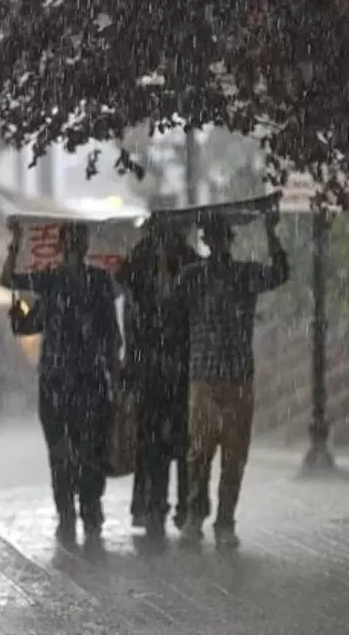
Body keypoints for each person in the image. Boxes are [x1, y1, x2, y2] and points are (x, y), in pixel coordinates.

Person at [167, 210, 289, 549]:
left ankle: (225, 520)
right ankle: (196, 513)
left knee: (234, 454)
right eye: (213, 238)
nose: (218, 244)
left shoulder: (245, 274)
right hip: (204, 376)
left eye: (222, 238)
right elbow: (170, 310)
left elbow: (280, 273)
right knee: (199, 452)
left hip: (236, 376)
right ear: (206, 242)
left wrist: (271, 233)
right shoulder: (192, 277)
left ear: (228, 242)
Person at [1, 222, 122, 544]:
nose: (74, 248)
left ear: (84, 246)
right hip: (56, 381)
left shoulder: (99, 282)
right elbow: (10, 282)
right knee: (61, 453)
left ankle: (91, 511)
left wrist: (116, 373)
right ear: (62, 247)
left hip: (91, 380)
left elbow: (110, 333)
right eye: (69, 243)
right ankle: (67, 513)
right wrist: (15, 244)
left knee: (92, 451)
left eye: (78, 242)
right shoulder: (50, 282)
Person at [116, 226, 198, 540]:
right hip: (151, 375)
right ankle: (155, 506)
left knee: (182, 445)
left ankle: (183, 508)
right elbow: (127, 289)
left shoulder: (188, 271)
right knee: (154, 447)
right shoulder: (139, 270)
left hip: (179, 374)